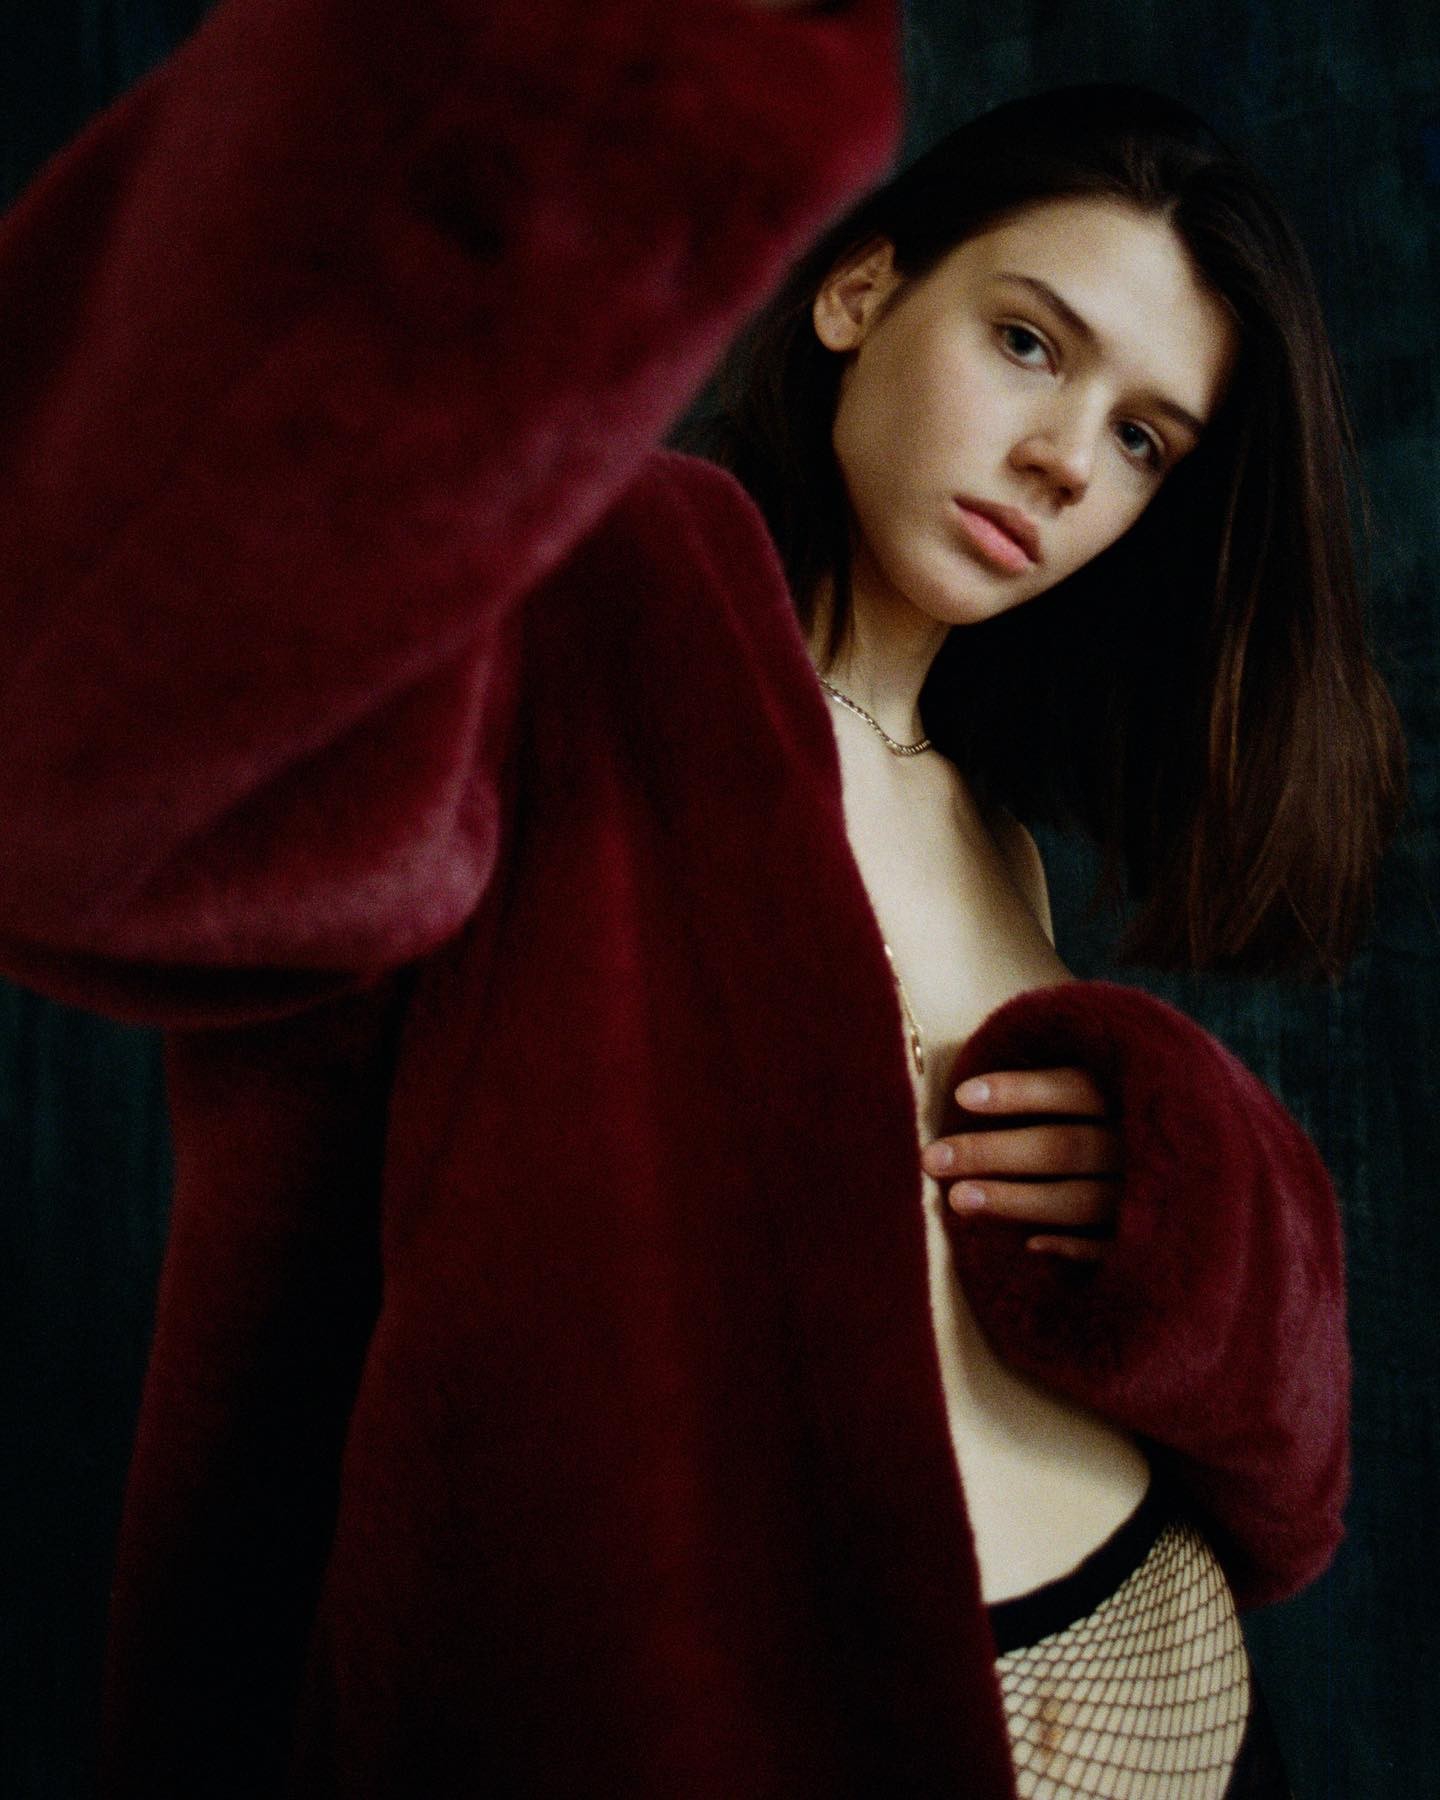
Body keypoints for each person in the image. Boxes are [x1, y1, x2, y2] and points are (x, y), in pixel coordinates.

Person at [0, 0, 1401, 1795]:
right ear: (857, 293)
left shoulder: (1000, 830)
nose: (1066, 456)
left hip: (1193, 1702)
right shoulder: (571, 628)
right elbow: (113, 777)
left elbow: (1250, 1420)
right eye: (1029, 342)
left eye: (1144, 440)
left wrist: (1181, 1195)